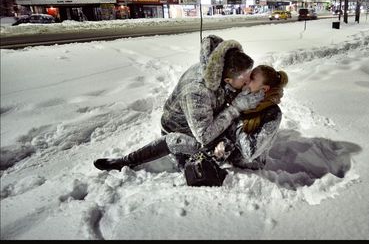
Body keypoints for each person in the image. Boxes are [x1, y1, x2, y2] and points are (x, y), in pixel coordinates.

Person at [93, 35, 265, 171]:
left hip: (208, 120)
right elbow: (204, 135)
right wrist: (236, 108)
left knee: (227, 143)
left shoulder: (219, 70)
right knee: (195, 149)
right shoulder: (196, 91)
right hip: (182, 131)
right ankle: (126, 161)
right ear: (227, 80)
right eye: (245, 80)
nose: (248, 82)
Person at [213, 65, 289, 170]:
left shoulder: (273, 113)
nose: (247, 80)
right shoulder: (243, 97)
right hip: (227, 160)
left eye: (252, 79)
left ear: (264, 89)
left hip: (248, 171)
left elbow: (250, 151)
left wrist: (237, 113)